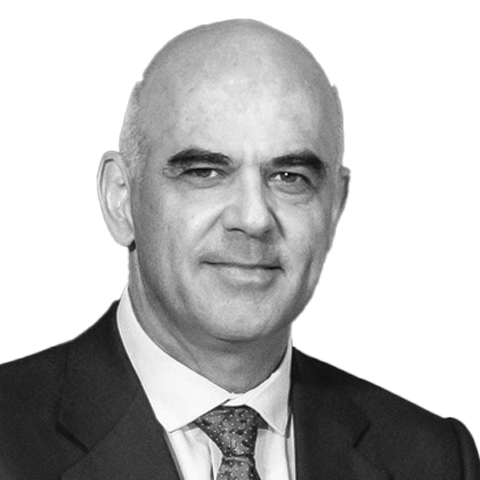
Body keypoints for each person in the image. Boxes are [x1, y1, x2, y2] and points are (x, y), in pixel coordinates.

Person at [0, 19, 478, 480]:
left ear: (335, 207)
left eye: (289, 177)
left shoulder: (432, 457)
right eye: (205, 172)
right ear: (121, 200)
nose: (253, 218)